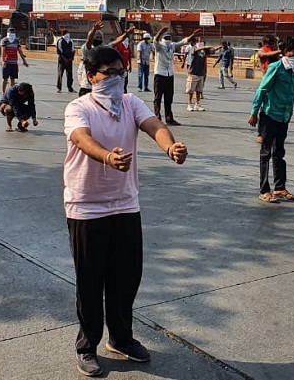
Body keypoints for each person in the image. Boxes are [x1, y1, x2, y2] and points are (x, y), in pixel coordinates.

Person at [62, 45, 187, 377]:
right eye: (110, 73)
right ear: (91, 76)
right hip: (86, 207)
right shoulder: (79, 107)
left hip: (125, 204)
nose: (117, 79)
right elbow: (80, 138)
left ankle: (121, 339)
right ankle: (87, 346)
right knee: (90, 282)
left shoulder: (131, 103)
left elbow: (153, 125)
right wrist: (106, 157)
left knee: (126, 277)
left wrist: (169, 146)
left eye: (121, 72)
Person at [249, 37, 294, 204]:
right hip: (269, 115)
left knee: (279, 153)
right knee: (266, 153)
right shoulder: (276, 68)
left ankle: (280, 187)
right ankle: (264, 190)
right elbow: (262, 89)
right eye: (292, 52)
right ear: (285, 53)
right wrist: (254, 112)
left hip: (284, 116)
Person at [152, 26, 198, 126]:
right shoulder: (159, 46)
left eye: (169, 38)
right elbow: (155, 40)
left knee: (169, 98)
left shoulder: (172, 46)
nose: (168, 40)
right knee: (158, 97)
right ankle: (157, 117)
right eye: (166, 38)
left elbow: (183, 41)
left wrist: (192, 35)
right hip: (160, 74)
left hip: (169, 74)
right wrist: (160, 31)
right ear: (163, 39)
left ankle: (169, 118)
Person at [77, 21, 135, 97]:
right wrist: (94, 30)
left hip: (101, 87)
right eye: (96, 37)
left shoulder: (103, 49)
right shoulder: (87, 49)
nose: (99, 39)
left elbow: (116, 42)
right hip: (87, 86)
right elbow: (89, 42)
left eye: (100, 38)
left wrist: (126, 34)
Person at [186, 38, 215, 111]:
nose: (201, 42)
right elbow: (196, 50)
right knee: (191, 90)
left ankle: (197, 104)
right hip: (193, 73)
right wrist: (204, 47)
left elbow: (212, 51)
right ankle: (189, 104)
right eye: (199, 41)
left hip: (200, 73)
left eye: (202, 41)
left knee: (199, 90)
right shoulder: (194, 49)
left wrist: (217, 48)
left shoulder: (204, 52)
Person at [0, 27, 29, 93]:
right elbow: (3, 51)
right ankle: (3, 92)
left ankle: (11, 92)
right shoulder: (4, 40)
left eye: (13, 33)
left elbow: (20, 51)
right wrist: (3, 60)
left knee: (13, 78)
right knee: (5, 78)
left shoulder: (16, 41)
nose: (12, 35)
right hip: (7, 62)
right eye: (10, 33)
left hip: (14, 62)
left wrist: (24, 61)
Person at [56, 28, 76, 93]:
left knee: (70, 74)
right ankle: (59, 87)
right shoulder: (60, 41)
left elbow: (73, 50)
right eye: (66, 33)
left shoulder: (71, 41)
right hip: (62, 60)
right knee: (60, 74)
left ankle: (70, 87)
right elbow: (59, 51)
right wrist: (64, 59)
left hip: (69, 60)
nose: (68, 34)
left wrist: (71, 58)